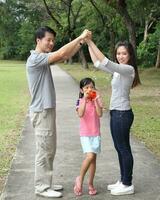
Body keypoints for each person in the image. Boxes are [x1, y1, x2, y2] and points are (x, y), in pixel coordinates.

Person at [26, 26, 91, 198]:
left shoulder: (44, 58)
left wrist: (81, 42)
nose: (51, 43)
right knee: (44, 150)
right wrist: (80, 36)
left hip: (46, 110)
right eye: (48, 39)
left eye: (53, 40)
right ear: (38, 40)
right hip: (42, 111)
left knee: (50, 148)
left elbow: (66, 55)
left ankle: (47, 181)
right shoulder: (36, 58)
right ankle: (41, 187)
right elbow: (62, 54)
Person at [86, 39, 140, 196]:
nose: (121, 56)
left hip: (123, 114)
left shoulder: (128, 69)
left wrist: (90, 40)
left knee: (124, 148)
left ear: (130, 55)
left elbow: (105, 60)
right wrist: (89, 44)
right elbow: (97, 63)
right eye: (118, 53)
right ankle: (123, 180)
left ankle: (128, 183)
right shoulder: (118, 70)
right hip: (116, 113)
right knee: (119, 148)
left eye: (124, 53)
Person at [74, 77, 103, 196]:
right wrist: (85, 100)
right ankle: (79, 179)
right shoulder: (79, 101)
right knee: (90, 156)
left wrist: (95, 100)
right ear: (82, 90)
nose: (89, 89)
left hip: (95, 133)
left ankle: (90, 184)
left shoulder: (97, 99)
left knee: (93, 160)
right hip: (85, 134)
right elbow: (80, 114)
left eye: (91, 87)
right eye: (86, 87)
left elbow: (100, 114)